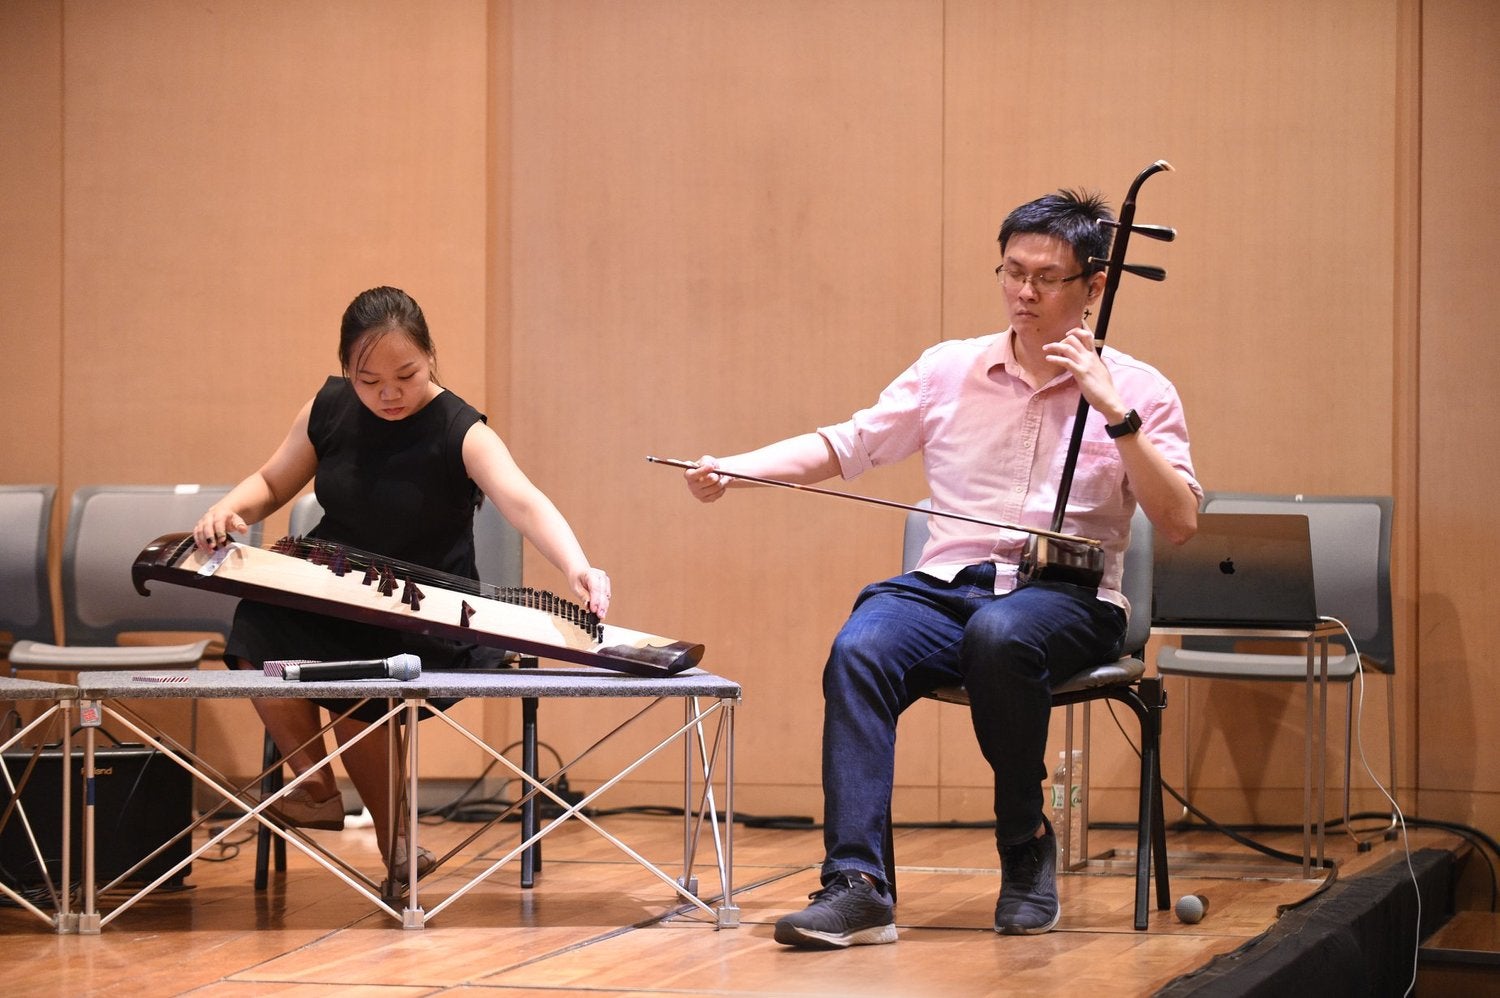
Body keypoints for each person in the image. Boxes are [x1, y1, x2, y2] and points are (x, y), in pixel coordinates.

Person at [683, 189, 1201, 947]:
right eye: (1012, 271)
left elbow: (1179, 521)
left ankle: (1023, 838)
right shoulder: (948, 370)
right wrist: (738, 468)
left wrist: (1114, 412)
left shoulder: (1140, 389)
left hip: (1069, 600)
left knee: (1001, 635)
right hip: (946, 588)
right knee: (861, 648)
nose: (1024, 292)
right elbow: (848, 443)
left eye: (1046, 278)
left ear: (1094, 286)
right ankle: (857, 885)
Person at [193, 285, 610, 874]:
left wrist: (577, 565)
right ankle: (316, 789)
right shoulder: (328, 409)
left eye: (406, 376)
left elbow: (524, 502)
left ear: (430, 357)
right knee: (257, 626)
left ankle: (397, 847)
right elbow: (270, 482)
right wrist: (227, 510)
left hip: (425, 613)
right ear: (346, 370)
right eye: (369, 381)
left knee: (361, 675)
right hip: (335, 594)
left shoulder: (460, 429)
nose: (389, 394)